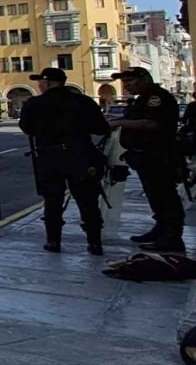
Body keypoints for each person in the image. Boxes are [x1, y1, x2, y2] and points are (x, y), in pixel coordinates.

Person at [18, 67, 110, 254]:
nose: (39, 85)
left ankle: (53, 241)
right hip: (80, 156)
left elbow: (27, 128)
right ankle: (94, 243)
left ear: (48, 82)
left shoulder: (34, 103)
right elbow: (101, 128)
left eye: (40, 82)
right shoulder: (83, 102)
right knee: (88, 202)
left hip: (50, 157)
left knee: (52, 201)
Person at [112, 66, 187, 254]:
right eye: (124, 82)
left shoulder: (157, 98)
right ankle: (160, 230)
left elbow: (152, 124)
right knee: (155, 196)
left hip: (160, 154)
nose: (127, 85)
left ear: (144, 79)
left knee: (165, 196)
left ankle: (171, 237)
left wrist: (120, 122)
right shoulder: (142, 100)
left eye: (130, 81)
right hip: (145, 155)